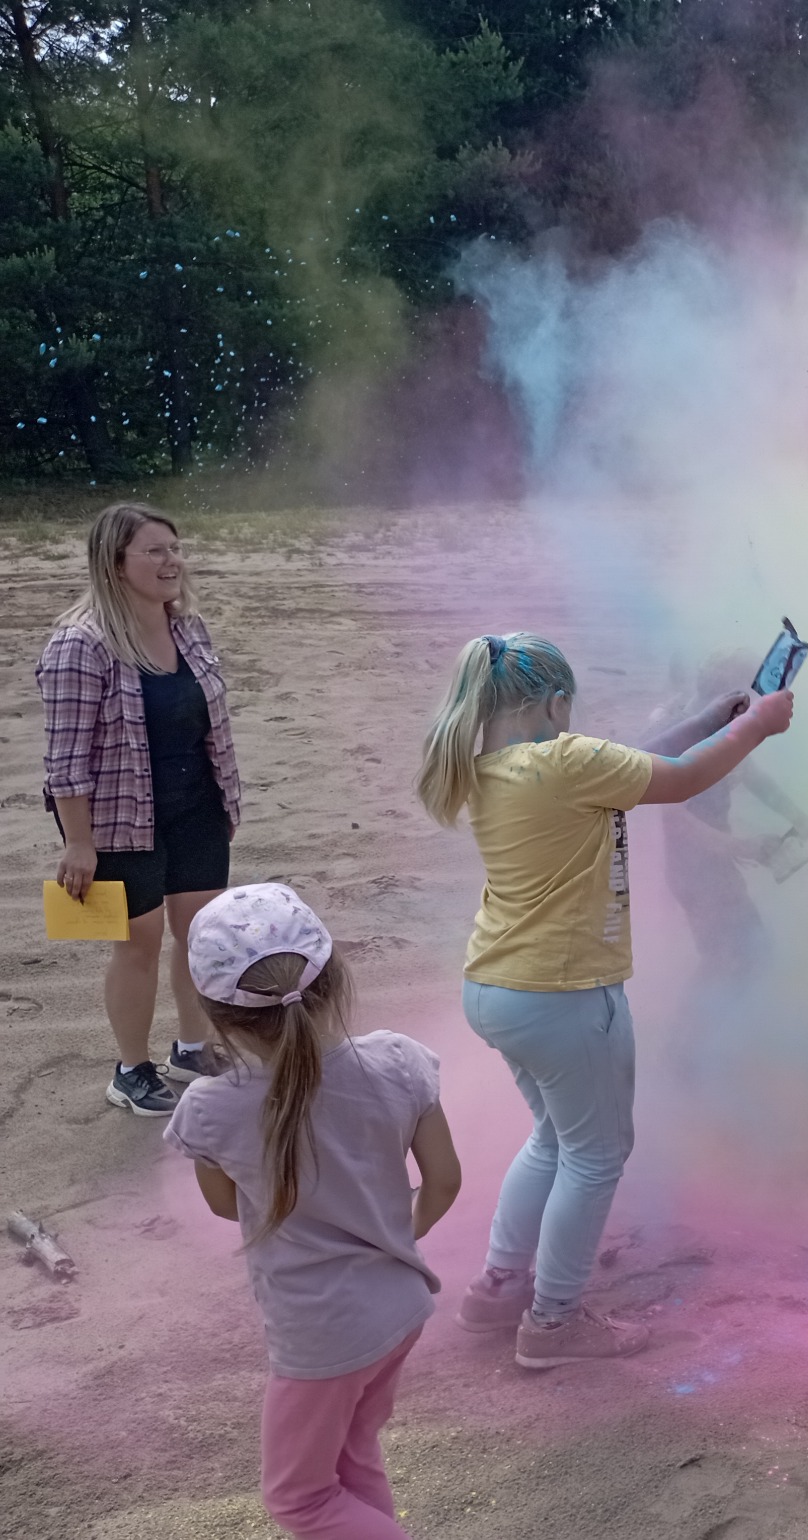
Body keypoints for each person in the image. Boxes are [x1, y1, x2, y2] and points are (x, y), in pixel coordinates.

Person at [416, 631, 793, 1367]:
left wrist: (717, 715)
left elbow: (649, 756)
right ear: (552, 702)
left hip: (496, 987)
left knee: (554, 1140)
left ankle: (497, 1289)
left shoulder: (493, 762)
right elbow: (678, 781)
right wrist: (755, 725)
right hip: (563, 995)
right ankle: (552, 1324)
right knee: (596, 1154)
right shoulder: (567, 762)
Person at [164, 883, 461, 1540]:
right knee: (352, 1457)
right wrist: (391, 1236)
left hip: (321, 1336)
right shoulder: (399, 1061)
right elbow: (442, 1182)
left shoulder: (209, 1109)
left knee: (300, 1498)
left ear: (217, 1016)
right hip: (401, 1306)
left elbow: (223, 1205)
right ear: (335, 978)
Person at [39, 502, 242, 1116]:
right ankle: (130, 1069)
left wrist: (226, 799)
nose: (170, 560)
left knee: (200, 934)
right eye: (153, 550)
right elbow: (65, 759)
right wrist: (78, 843)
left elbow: (209, 724)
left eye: (174, 548)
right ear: (115, 562)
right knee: (139, 940)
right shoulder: (81, 644)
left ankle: (191, 1049)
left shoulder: (189, 628)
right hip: (120, 816)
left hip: (196, 805)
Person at [652, 649, 808, 983]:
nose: (754, 708)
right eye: (748, 698)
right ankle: (691, 1035)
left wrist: (806, 824)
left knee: (744, 954)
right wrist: (742, 846)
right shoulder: (679, 733)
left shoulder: (722, 727)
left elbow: (756, 780)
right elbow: (672, 818)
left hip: (713, 867)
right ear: (727, 696)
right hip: (693, 871)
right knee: (736, 958)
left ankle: (704, 1030)